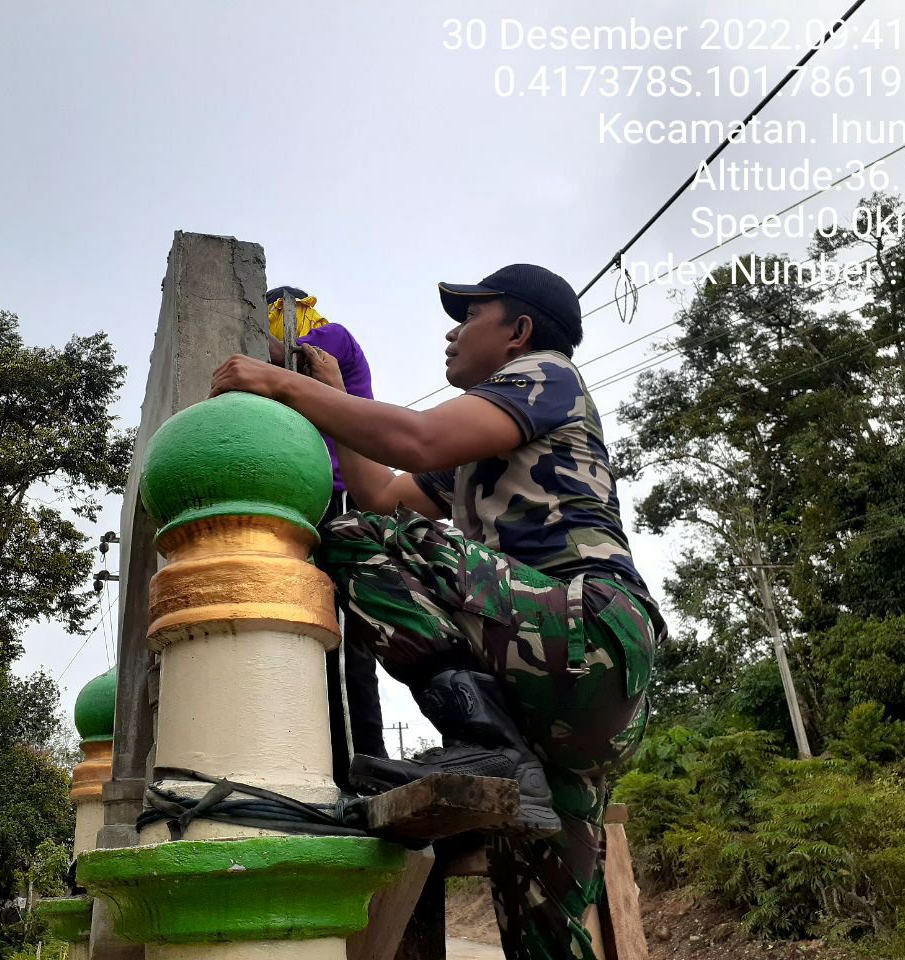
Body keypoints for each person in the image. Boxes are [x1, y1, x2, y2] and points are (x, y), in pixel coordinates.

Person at [213, 264, 664, 960]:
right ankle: (505, 752)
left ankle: (481, 738)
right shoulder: (480, 443)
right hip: (571, 701)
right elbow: (383, 494)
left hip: (586, 626)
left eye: (469, 318)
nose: (452, 334)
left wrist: (278, 382)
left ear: (517, 332)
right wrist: (333, 398)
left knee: (350, 544)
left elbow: (409, 455)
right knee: (539, 929)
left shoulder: (545, 375)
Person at [265, 285, 388, 791]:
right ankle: (330, 762)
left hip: (342, 498)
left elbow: (291, 371)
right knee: (313, 636)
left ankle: (361, 768)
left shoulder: (329, 339)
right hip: (313, 499)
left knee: (341, 639)